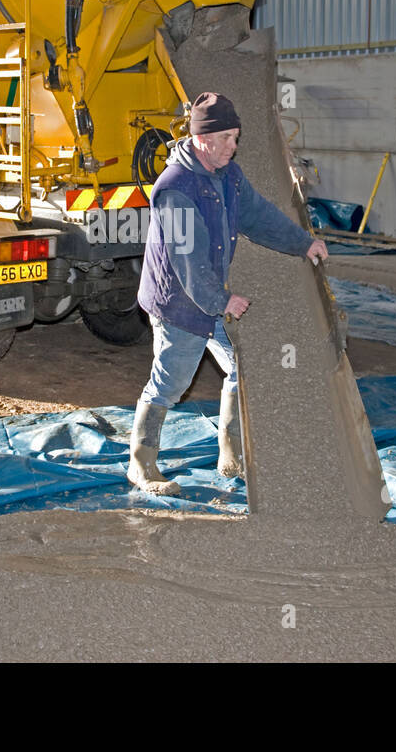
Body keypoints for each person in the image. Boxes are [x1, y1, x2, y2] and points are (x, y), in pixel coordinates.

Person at [129, 91, 328, 495]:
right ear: (202, 138)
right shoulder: (175, 189)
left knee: (243, 362)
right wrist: (223, 302)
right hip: (179, 302)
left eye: (236, 138)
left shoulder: (229, 176)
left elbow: (258, 216)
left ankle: (231, 452)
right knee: (170, 382)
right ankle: (141, 463)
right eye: (226, 139)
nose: (233, 147)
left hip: (209, 292)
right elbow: (187, 259)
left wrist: (301, 242)